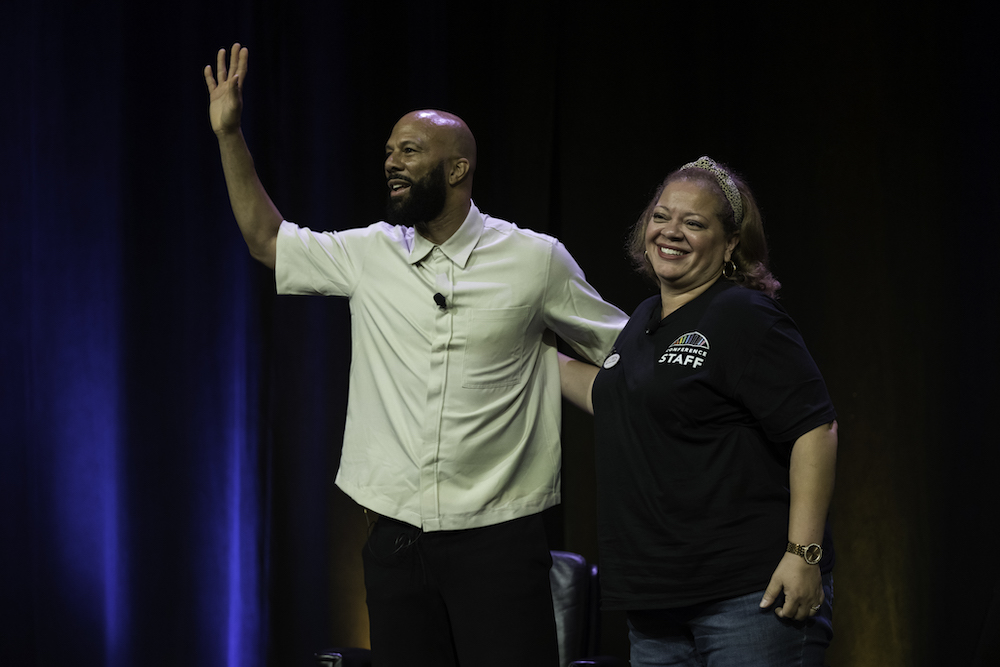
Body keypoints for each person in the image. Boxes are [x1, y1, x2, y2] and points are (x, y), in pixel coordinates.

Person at [204, 44, 627, 666]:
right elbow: (267, 240)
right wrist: (231, 133)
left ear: (457, 170)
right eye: (388, 152)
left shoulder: (535, 260)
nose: (391, 164)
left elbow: (620, 352)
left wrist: (560, 371)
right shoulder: (371, 253)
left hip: (499, 542)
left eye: (409, 151)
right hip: (396, 541)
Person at [559, 157, 838, 666]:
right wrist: (537, 356)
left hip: (747, 599)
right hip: (655, 604)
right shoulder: (646, 317)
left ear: (731, 242)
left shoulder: (745, 314)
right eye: (662, 216)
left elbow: (814, 429)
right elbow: (616, 397)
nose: (671, 232)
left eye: (694, 223)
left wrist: (803, 556)